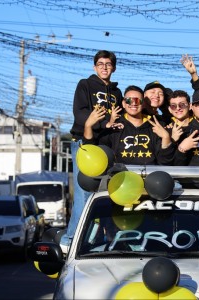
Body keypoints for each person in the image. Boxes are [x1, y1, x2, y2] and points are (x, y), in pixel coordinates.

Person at [64, 50, 123, 249]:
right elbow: (80, 113)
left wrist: (116, 126)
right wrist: (105, 123)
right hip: (86, 144)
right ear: (94, 67)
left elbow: (119, 118)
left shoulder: (117, 93)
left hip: (107, 147)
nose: (104, 67)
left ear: (113, 67)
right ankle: (71, 240)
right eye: (100, 63)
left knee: (104, 196)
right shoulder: (85, 85)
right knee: (83, 194)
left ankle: (98, 240)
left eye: (108, 64)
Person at [83, 85, 175, 165]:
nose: (134, 103)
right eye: (129, 100)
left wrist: (166, 137)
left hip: (149, 178)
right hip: (120, 179)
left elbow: (164, 162)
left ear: (143, 104)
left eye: (138, 100)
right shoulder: (114, 126)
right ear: (123, 103)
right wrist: (88, 126)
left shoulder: (157, 126)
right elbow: (95, 154)